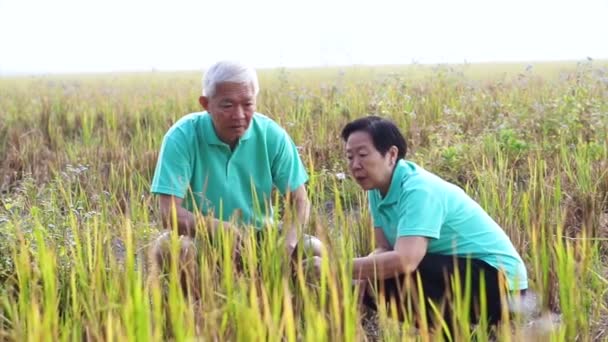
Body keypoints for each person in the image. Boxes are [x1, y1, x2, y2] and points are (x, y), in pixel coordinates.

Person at [307, 116, 528, 334]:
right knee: (377, 278)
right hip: (461, 274)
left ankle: (454, 332)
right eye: (349, 157)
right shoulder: (377, 190)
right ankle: (450, 333)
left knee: (392, 276)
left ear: (391, 154)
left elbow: (405, 260)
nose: (355, 165)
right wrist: (363, 276)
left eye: (363, 155)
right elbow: (384, 248)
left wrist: (335, 267)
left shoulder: (419, 189)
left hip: (503, 286)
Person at [148, 61, 323, 298]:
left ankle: (285, 309)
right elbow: (169, 213)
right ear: (206, 104)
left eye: (248, 104)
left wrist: (288, 242)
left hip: (260, 235)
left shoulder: (272, 135)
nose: (239, 115)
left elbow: (300, 201)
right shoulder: (182, 136)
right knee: (172, 248)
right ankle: (202, 314)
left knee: (313, 248)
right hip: (202, 240)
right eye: (227, 105)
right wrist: (218, 228)